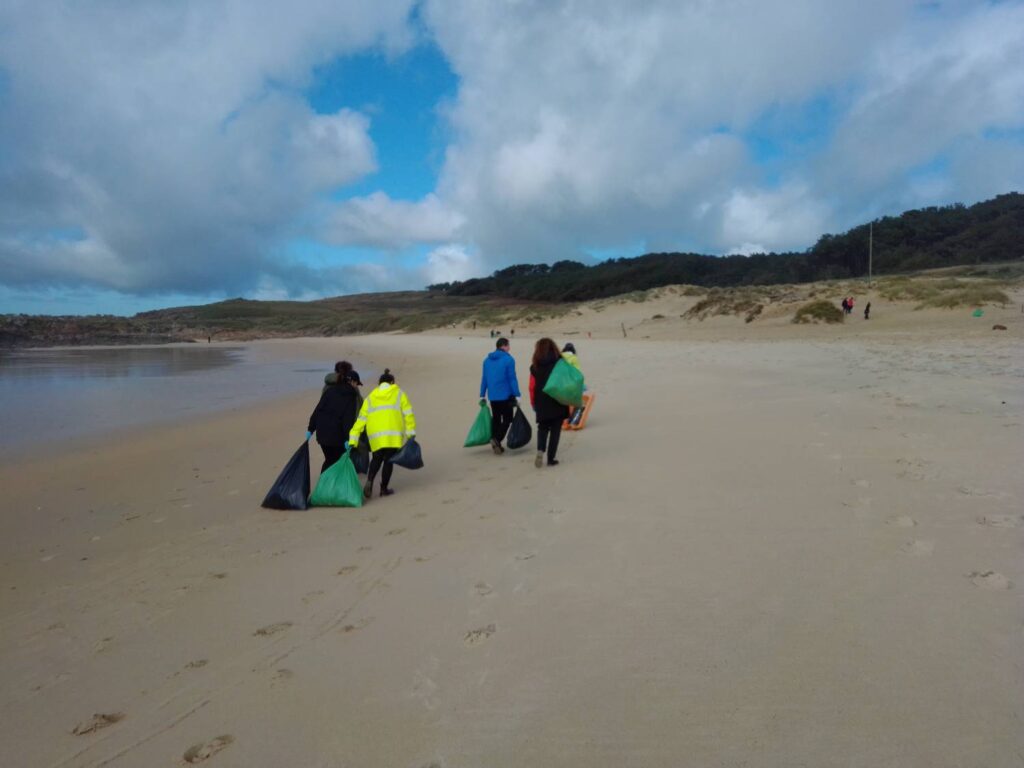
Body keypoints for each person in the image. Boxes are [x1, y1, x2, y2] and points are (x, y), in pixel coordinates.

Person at [348, 368, 416, 499]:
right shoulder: (399, 394)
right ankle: (384, 488)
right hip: (393, 434)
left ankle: (370, 480)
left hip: (376, 435)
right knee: (389, 461)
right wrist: (411, 433)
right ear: (392, 382)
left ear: (379, 383)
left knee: (377, 458)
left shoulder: (371, 397)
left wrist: (353, 438)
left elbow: (361, 419)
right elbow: (408, 414)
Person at [307, 361, 361, 474]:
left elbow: (318, 410)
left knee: (330, 459)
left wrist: (311, 429)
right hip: (336, 436)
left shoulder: (329, 390)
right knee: (335, 460)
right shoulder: (350, 396)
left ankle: (326, 485)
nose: (357, 386)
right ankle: (328, 486)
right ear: (352, 381)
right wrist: (347, 438)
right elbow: (348, 419)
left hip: (322, 433)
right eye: (356, 383)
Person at [529, 338, 570, 468]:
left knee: (542, 427)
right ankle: (551, 459)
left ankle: (540, 450)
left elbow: (532, 386)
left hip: (541, 400)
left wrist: (533, 402)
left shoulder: (534, 366)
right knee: (555, 430)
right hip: (557, 399)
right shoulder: (560, 362)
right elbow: (566, 382)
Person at [480, 337, 521, 454]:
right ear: (503, 346)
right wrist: (517, 394)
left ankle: (496, 443)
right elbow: (512, 379)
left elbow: (484, 379)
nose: (509, 348)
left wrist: (482, 394)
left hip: (492, 396)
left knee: (496, 419)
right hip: (506, 396)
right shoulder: (509, 360)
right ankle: (497, 439)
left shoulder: (486, 360)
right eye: (508, 346)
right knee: (508, 419)